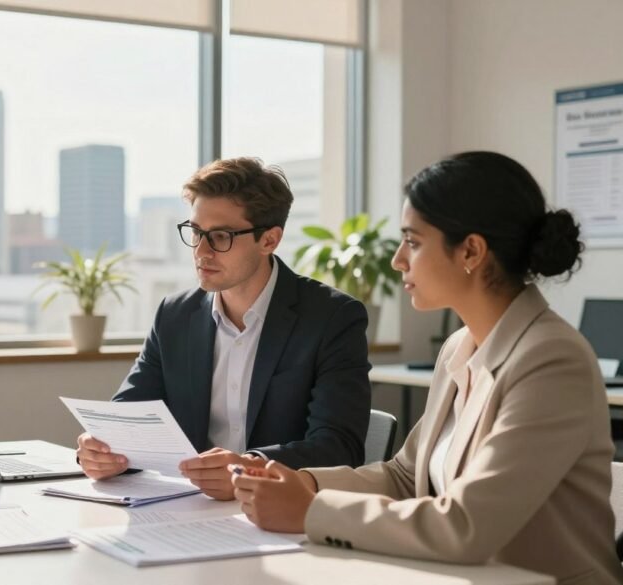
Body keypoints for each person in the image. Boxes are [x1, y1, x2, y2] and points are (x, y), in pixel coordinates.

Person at [232, 151, 623, 584]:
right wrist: (306, 483)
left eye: (413, 242)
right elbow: (405, 476)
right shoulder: (461, 345)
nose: (399, 260)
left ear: (471, 251)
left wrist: (310, 511)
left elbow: (466, 525)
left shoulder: (551, 360)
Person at [77, 157, 372, 500]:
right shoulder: (175, 315)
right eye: (197, 233)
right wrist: (102, 451)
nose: (201, 252)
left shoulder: (333, 317)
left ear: (269, 240)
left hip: (281, 513)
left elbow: (340, 446)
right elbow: (129, 418)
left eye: (220, 236)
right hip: (186, 509)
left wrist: (250, 467)